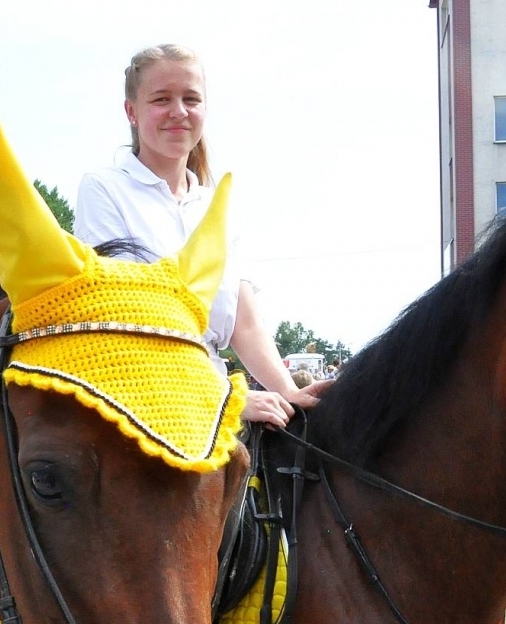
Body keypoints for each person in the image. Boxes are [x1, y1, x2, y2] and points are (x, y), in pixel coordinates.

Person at [74, 44, 327, 428]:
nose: (178, 111)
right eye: (161, 99)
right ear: (131, 111)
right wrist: (221, 397)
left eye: (190, 99)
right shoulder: (104, 189)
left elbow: (245, 324)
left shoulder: (215, 205)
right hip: (143, 405)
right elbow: (127, 319)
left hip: (216, 402)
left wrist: (289, 392)